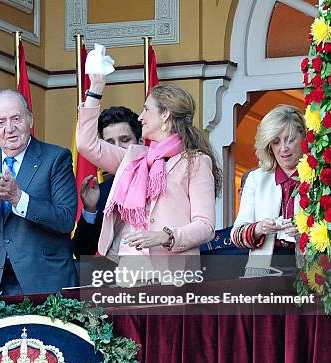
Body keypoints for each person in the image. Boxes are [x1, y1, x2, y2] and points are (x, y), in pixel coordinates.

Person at [76, 75, 221, 280]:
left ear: (165, 115)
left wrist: (165, 236)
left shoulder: (196, 162)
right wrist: (96, 89)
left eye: (146, 109)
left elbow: (205, 227)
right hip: (129, 273)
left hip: (172, 275)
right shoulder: (134, 158)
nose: (141, 117)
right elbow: (86, 144)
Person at [0, 89, 78, 296]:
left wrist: (19, 198)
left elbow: (66, 220)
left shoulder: (56, 158)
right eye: (1, 122)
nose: (9, 128)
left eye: (16, 119)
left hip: (43, 281)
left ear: (30, 120)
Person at [231, 105, 304, 275]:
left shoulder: (320, 178)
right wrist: (259, 229)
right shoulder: (256, 179)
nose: (283, 148)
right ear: (268, 145)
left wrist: (305, 233)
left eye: (290, 139)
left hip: (312, 271)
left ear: (304, 138)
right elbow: (236, 236)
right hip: (262, 273)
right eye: (276, 141)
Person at [73, 106, 142, 257]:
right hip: (118, 275)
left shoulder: (160, 179)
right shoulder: (101, 191)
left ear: (141, 142)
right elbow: (82, 252)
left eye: (124, 140)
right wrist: (89, 210)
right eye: (110, 143)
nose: (117, 148)